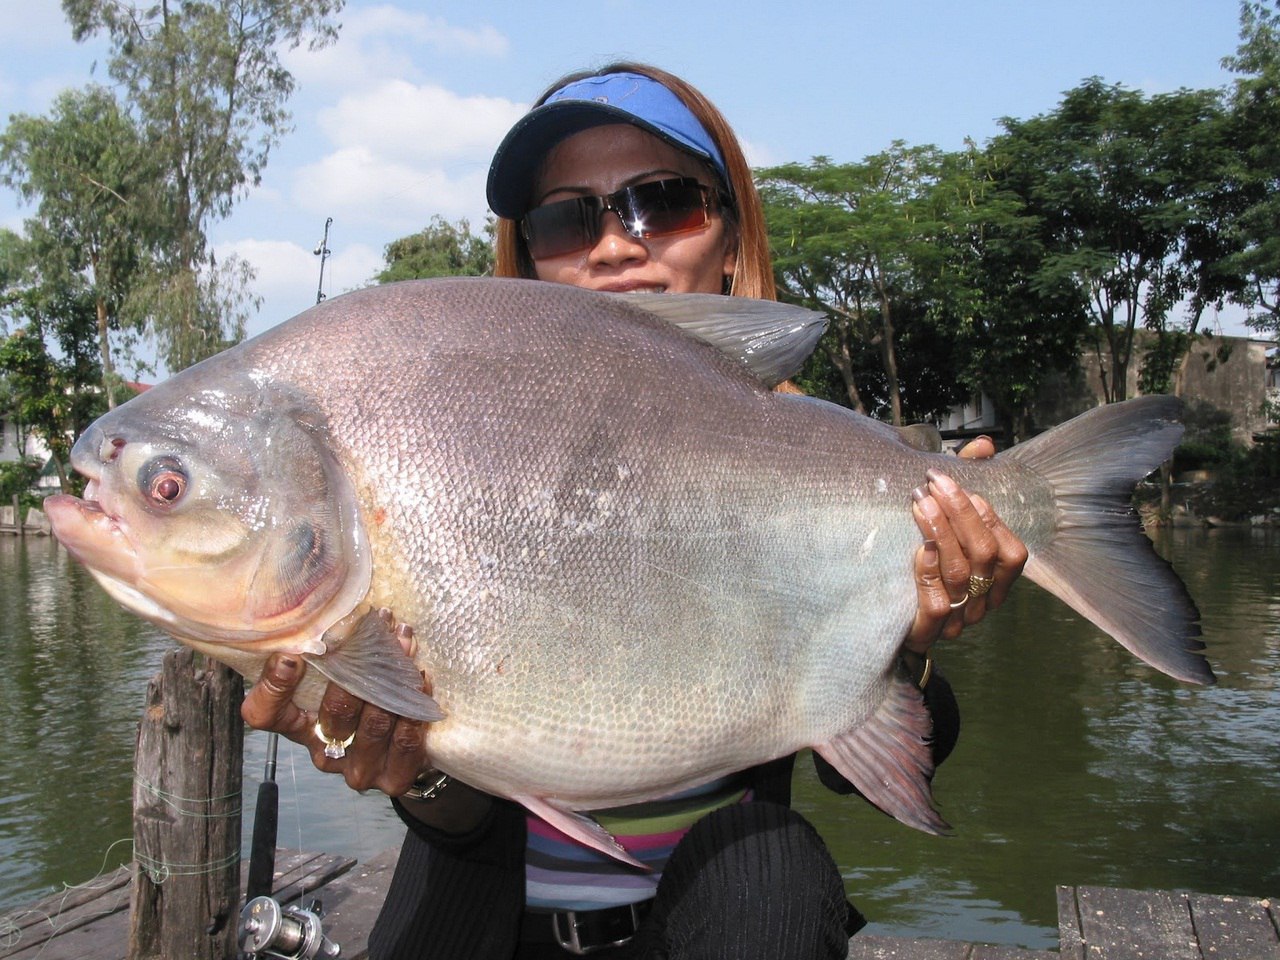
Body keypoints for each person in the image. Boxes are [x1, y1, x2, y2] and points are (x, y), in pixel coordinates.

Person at [243, 62, 1028, 959]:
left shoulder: (813, 460)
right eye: (565, 218)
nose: (616, 246)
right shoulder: (441, 469)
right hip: (482, 918)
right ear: (526, 255)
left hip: (726, 912)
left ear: (732, 241)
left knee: (773, 867)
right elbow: (461, 821)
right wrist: (409, 774)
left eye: (663, 202)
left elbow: (869, 766)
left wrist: (917, 638)